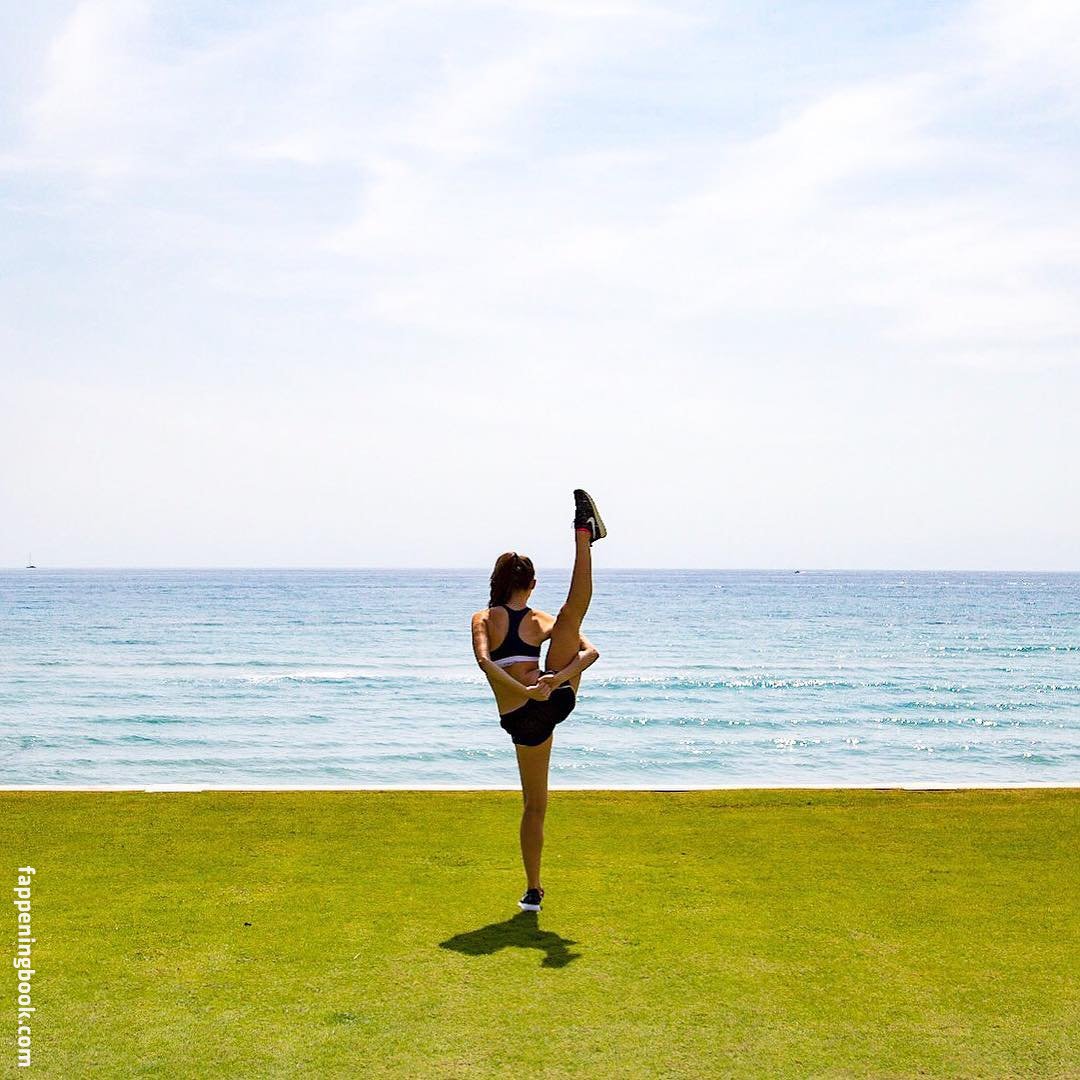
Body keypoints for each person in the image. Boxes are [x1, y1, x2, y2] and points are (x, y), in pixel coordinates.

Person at [471, 489, 607, 912]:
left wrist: (534, 688)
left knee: (534, 806)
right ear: (531, 585)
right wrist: (554, 681)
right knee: (570, 617)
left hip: (526, 715)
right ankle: (584, 538)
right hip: (552, 700)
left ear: (497, 583)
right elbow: (589, 654)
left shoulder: (484, 618)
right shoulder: (538, 618)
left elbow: (485, 663)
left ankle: (534, 890)